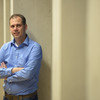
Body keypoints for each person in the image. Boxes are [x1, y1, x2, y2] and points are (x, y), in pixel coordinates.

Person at [0, 14, 42, 100]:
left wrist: (6, 76)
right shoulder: (5, 47)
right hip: (7, 97)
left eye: (18, 25)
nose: (15, 28)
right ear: (10, 29)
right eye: (12, 26)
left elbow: (28, 74)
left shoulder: (35, 48)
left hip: (27, 98)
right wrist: (13, 70)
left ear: (25, 27)